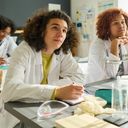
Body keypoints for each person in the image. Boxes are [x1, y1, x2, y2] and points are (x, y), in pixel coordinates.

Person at [1, 9, 85, 128]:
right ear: (41, 30)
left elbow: (80, 77)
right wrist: (56, 91)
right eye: (55, 27)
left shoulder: (62, 52)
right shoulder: (24, 50)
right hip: (20, 117)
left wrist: (52, 90)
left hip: (48, 110)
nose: (60, 33)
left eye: (64, 30)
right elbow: (9, 91)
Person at [87, 8, 128, 83]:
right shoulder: (98, 45)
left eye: (123, 22)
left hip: (119, 85)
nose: (121, 26)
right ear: (107, 28)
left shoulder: (125, 42)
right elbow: (111, 73)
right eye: (116, 23)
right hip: (97, 87)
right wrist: (114, 45)